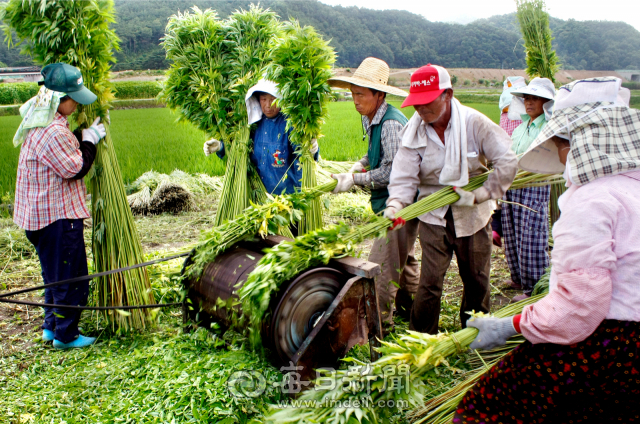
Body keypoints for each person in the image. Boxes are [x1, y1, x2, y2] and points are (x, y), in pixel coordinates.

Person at [456, 77, 639, 423]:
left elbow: (580, 307)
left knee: (485, 405)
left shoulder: (592, 201)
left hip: (610, 344)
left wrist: (511, 326)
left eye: (559, 146)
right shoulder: (633, 189)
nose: (560, 155)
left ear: (577, 145)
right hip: (630, 353)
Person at [385, 64, 518, 334]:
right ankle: (421, 338)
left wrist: (485, 193)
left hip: (473, 214)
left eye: (427, 102)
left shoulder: (473, 123)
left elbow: (506, 159)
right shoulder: (414, 131)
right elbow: (403, 175)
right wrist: (395, 205)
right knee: (430, 282)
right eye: (416, 104)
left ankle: (476, 335)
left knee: (477, 280)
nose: (421, 109)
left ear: (447, 94)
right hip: (433, 214)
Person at [13, 63, 106, 349]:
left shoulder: (36, 119)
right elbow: (75, 167)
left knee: (52, 274)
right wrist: (89, 140)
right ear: (59, 98)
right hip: (57, 219)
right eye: (73, 98)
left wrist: (79, 136)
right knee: (68, 276)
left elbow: (61, 151)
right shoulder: (53, 130)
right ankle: (66, 335)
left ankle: (51, 327)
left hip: (37, 217)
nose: (77, 103)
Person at [327, 57, 418, 327]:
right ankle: (413, 310)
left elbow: (393, 172)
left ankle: (380, 323)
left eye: (361, 94)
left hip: (399, 206)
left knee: (382, 264)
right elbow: (376, 155)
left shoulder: (390, 124)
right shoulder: (372, 119)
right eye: (353, 94)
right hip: (390, 203)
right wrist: (361, 163)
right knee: (405, 258)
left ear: (379, 95)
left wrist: (355, 179)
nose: (355, 100)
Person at [203, 79, 318, 197]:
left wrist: (312, 149)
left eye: (273, 99)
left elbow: (303, 157)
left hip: (286, 197)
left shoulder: (290, 124)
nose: (268, 105)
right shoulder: (251, 124)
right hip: (258, 196)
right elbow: (238, 152)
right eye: (263, 99)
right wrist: (221, 147)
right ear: (257, 99)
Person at [501, 77, 555, 301]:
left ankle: (533, 288)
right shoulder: (521, 128)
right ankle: (518, 277)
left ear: (546, 102)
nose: (529, 102)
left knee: (530, 235)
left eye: (534, 98)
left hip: (534, 184)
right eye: (526, 98)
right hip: (514, 184)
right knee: (511, 231)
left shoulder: (548, 127)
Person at [491, 76, 525, 247]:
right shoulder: (518, 106)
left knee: (502, 198)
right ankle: (499, 229)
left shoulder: (505, 106)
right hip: (517, 158)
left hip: (506, 157)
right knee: (509, 200)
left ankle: (497, 228)